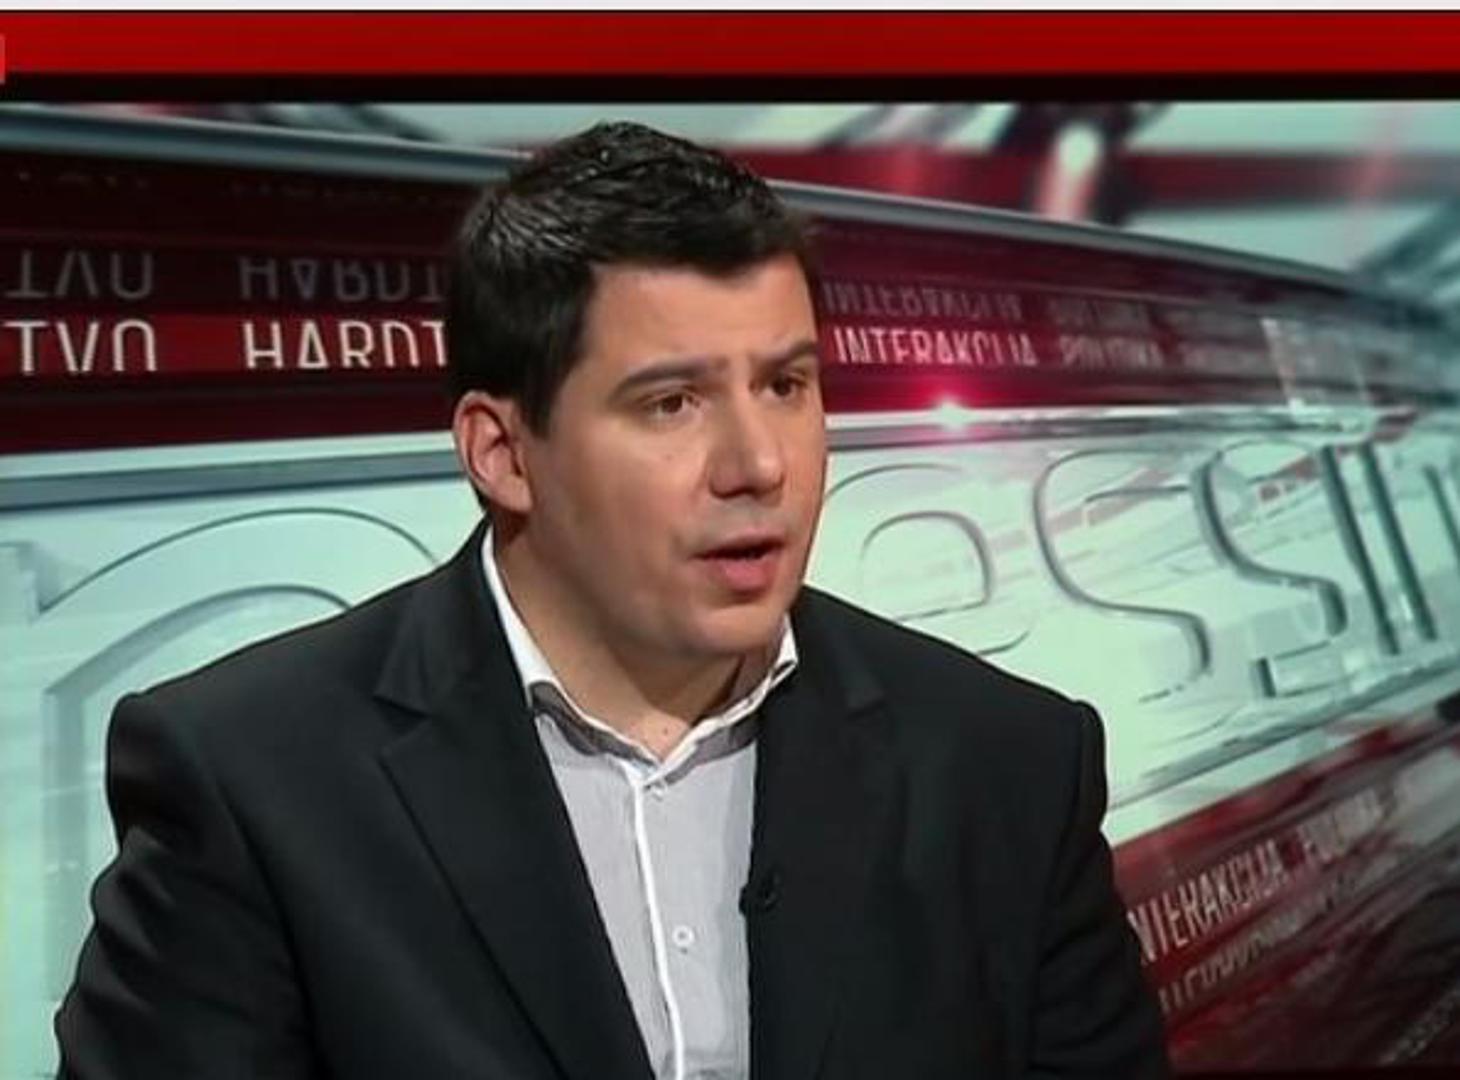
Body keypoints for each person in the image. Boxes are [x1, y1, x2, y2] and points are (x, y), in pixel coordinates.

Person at [55, 121, 1170, 1080]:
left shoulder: (1008, 767)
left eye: (786, 385)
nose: (758, 464)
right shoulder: (253, 786)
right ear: (502, 453)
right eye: (671, 402)